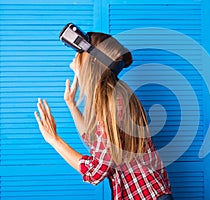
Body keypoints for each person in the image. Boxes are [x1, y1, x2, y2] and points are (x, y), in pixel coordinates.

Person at [34, 31, 174, 200]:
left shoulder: (113, 102)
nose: (74, 60)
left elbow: (95, 172)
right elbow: (94, 143)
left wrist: (54, 140)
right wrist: (72, 105)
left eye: (79, 54)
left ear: (92, 62)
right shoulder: (114, 95)